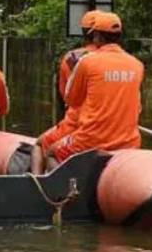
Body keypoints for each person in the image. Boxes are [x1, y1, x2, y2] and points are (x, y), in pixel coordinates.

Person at [43, 12, 144, 166]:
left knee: (50, 152)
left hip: (89, 141)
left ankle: (59, 190)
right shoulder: (137, 65)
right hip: (129, 142)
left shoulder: (86, 62)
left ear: (97, 35)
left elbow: (71, 100)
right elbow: (137, 106)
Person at [38, 9, 101, 154]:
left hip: (78, 124)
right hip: (113, 128)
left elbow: (67, 96)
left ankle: (39, 176)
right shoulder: (123, 61)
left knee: (41, 145)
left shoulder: (71, 57)